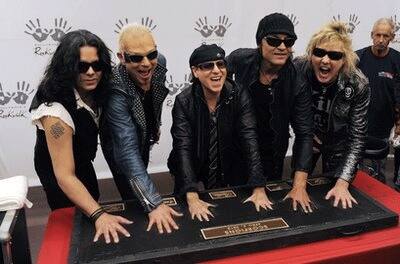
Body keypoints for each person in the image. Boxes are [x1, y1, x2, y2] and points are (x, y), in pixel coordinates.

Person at [30, 29, 132, 243]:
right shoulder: (55, 111)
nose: (91, 72)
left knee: (91, 195)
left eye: (97, 65)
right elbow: (65, 176)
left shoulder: (97, 88)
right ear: (68, 68)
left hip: (82, 156)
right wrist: (100, 215)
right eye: (82, 66)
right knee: (71, 217)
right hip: (56, 168)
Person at [168, 44, 272, 221]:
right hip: (193, 172)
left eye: (220, 64)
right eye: (208, 66)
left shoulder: (239, 94)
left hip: (229, 171)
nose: (216, 71)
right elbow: (183, 148)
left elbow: (249, 139)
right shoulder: (183, 101)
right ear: (195, 71)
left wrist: (258, 186)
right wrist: (192, 196)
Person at [226, 13, 314, 212]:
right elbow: (207, 80)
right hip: (234, 151)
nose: (282, 47)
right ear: (260, 42)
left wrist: (299, 186)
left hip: (272, 155)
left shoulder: (297, 81)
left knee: (265, 211)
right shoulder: (239, 60)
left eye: (288, 41)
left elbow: (304, 133)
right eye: (274, 40)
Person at [100, 24, 182, 234]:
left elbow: (155, 96)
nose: (146, 64)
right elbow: (126, 150)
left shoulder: (159, 62)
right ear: (121, 57)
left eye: (151, 54)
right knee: (133, 194)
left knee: (141, 168)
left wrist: (154, 124)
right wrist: (154, 203)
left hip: (144, 129)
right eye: (136, 58)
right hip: (118, 140)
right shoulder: (115, 88)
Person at [294, 21, 370, 209]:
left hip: (339, 145)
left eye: (334, 55)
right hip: (307, 139)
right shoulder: (299, 68)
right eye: (319, 53)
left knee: (334, 198)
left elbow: (357, 137)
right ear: (311, 54)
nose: (325, 60)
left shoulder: (357, 83)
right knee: (295, 191)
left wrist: (343, 182)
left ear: (344, 60)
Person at [356, 18, 400, 185]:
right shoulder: (358, 58)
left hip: (383, 125)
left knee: (378, 175)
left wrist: (398, 123)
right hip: (358, 124)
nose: (381, 40)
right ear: (371, 35)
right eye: (378, 35)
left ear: (392, 37)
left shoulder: (397, 60)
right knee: (355, 172)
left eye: (386, 36)